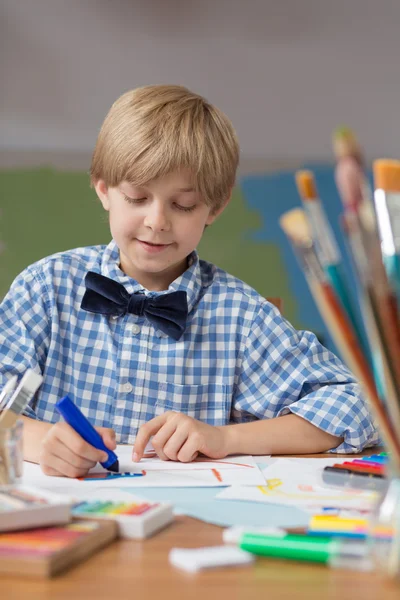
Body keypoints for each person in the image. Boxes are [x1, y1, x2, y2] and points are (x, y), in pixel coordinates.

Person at [0, 85, 378, 478]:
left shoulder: (240, 316)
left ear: (215, 207)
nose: (157, 221)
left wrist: (224, 438)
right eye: (136, 197)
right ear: (103, 190)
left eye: (182, 205)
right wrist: (42, 442)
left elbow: (356, 405)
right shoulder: (45, 288)